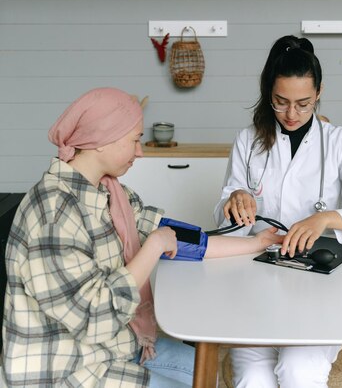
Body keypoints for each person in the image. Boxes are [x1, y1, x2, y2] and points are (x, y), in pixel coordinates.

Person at [3, 88, 279, 388]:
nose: (140, 151)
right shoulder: (53, 212)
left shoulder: (111, 193)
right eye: (134, 139)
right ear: (101, 140)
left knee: (206, 372)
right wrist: (153, 247)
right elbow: (94, 318)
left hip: (115, 346)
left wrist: (255, 243)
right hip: (66, 367)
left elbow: (178, 237)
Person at [214, 35, 342, 388]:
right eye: (281, 102)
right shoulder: (247, 141)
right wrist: (235, 199)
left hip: (321, 286)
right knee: (253, 377)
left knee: (299, 372)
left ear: (319, 93)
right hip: (255, 280)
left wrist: (327, 217)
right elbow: (224, 222)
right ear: (269, 92)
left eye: (303, 103)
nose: (292, 114)